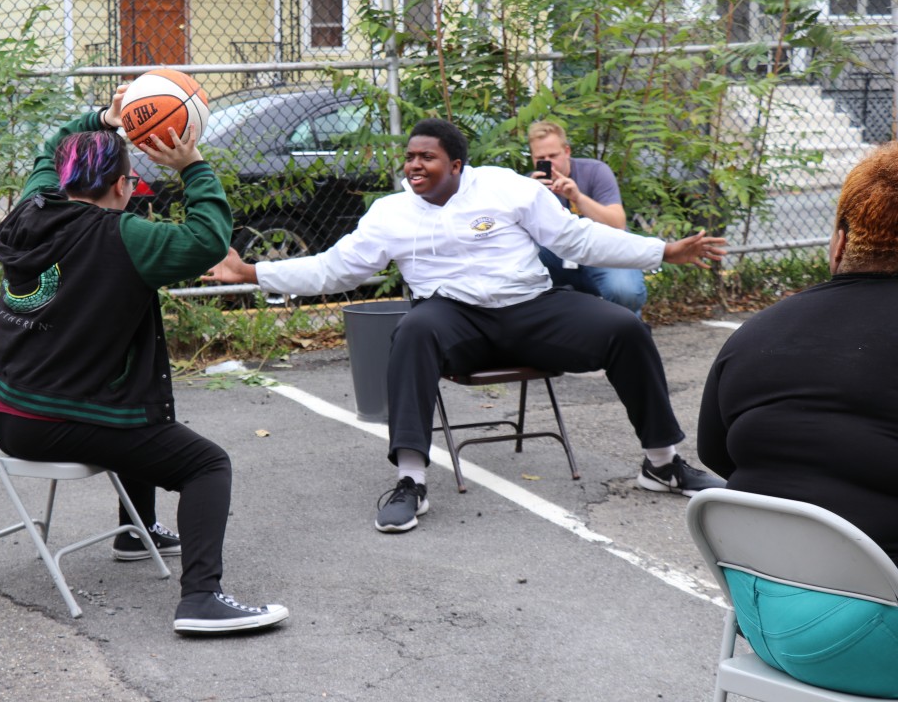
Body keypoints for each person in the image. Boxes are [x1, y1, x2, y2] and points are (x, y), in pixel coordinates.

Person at [206, 118, 726, 533]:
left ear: (456, 164)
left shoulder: (505, 189)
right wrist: (252, 271)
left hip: (530, 307)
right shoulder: (391, 214)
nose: (414, 165)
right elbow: (334, 268)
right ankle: (410, 482)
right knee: (412, 330)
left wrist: (661, 251)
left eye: (426, 157)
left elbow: (576, 240)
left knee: (625, 328)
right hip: (454, 318)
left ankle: (661, 463)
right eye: (409, 157)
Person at [0, 88, 288, 635]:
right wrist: (192, 165)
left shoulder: (31, 209)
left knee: (129, 401)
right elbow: (209, 239)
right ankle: (201, 599)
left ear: (63, 177)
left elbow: (50, 146)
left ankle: (134, 529)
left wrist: (105, 117)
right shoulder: (125, 236)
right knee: (206, 465)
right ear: (124, 186)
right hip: (59, 421)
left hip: (6, 414)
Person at [696, 144, 898, 698]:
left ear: (838, 243)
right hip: (885, 646)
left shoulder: (754, 333)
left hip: (766, 627)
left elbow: (717, 457)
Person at [528, 121, 648, 316]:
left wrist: (578, 197)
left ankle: (627, 335)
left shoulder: (595, 171)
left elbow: (617, 224)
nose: (549, 162)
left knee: (624, 291)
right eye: (541, 158)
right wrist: (531, 197)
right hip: (558, 254)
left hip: (601, 246)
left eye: (553, 155)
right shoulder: (529, 185)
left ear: (567, 151)